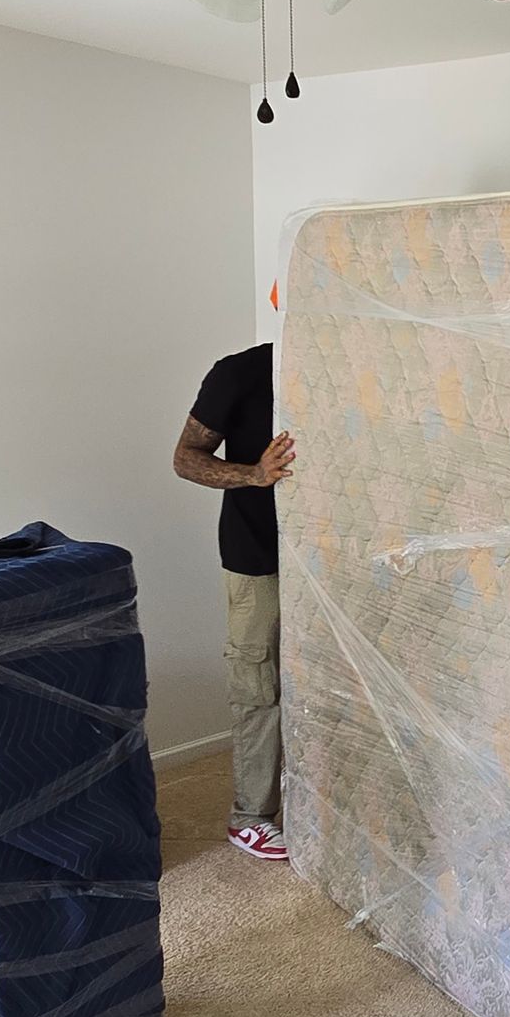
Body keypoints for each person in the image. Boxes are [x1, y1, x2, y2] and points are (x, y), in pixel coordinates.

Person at [174, 346, 296, 861]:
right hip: (257, 555)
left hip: (327, 556)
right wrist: (254, 474)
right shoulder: (241, 371)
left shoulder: (344, 361)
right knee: (259, 682)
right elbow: (185, 459)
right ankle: (250, 816)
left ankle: (316, 804)